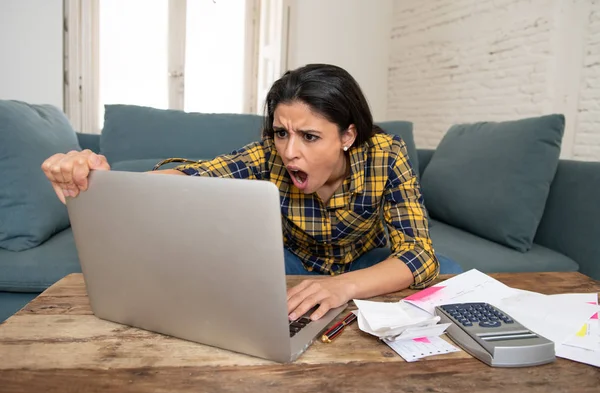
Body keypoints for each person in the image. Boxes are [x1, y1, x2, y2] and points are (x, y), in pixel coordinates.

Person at [42, 63, 461, 323]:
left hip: (364, 257)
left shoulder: (387, 155)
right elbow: (190, 176)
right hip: (290, 256)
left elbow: (418, 254)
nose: (290, 152)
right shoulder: (267, 155)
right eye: (282, 133)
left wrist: (343, 286)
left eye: (310, 137)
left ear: (348, 135)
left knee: (453, 276)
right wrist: (99, 179)